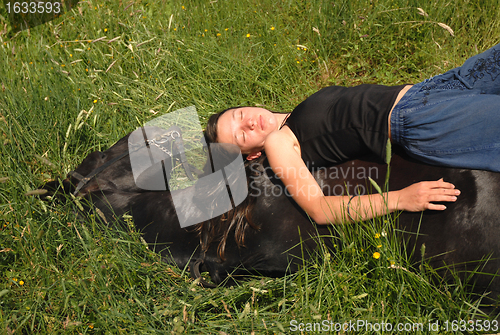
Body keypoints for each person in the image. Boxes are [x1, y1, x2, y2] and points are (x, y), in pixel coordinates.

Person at [204, 43, 500, 225]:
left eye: (240, 115)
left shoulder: (293, 115)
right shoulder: (278, 141)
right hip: (420, 119)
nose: (249, 123)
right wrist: (400, 199)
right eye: (241, 135)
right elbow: (319, 210)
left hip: (433, 91)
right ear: (252, 154)